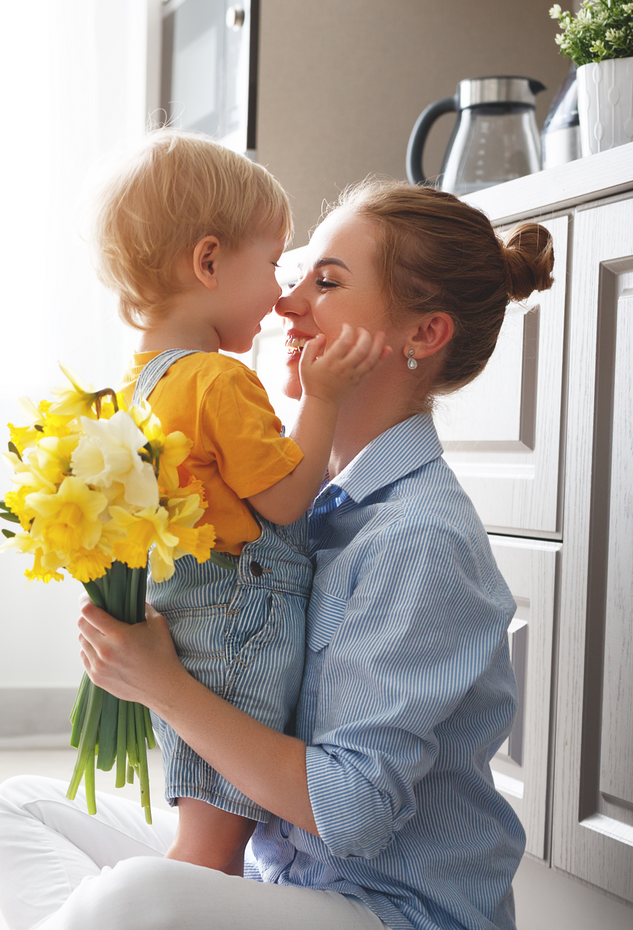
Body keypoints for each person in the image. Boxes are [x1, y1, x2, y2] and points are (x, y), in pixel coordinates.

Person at [0, 176, 555, 930]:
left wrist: (165, 685)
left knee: (131, 900)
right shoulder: (307, 503)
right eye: (295, 276)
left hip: (386, 909)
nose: (287, 303)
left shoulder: (419, 537)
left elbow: (350, 813)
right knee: (18, 811)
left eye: (328, 282)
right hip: (281, 878)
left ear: (422, 335)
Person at [90, 129, 387, 875]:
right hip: (241, 622)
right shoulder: (217, 379)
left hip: (189, 615)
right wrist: (322, 400)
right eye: (275, 264)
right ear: (210, 260)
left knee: (201, 823)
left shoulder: (140, 385)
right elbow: (286, 503)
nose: (283, 293)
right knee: (212, 852)